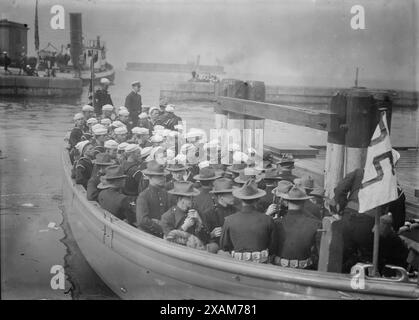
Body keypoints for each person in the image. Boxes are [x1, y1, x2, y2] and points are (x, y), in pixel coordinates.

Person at [220, 179, 277, 264]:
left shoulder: (229, 220)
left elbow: (224, 246)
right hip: (261, 264)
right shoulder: (267, 219)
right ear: (257, 199)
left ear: (240, 199)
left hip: (238, 263)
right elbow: (273, 248)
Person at [273, 187, 322, 269]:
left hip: (279, 270)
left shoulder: (276, 223)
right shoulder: (316, 224)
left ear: (287, 202)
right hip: (305, 270)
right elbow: (319, 253)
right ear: (304, 202)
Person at [136, 160, 171, 237]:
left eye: (164, 176)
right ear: (150, 177)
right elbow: (142, 221)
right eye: (159, 176)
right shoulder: (144, 196)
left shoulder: (165, 193)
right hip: (147, 235)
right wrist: (161, 228)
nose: (163, 178)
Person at [202, 178, 237, 246]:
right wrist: (212, 234)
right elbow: (203, 239)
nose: (233, 197)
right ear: (221, 197)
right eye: (230, 194)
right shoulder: (209, 214)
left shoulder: (236, 211)